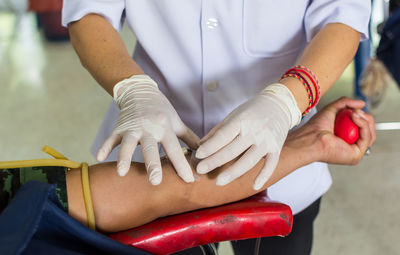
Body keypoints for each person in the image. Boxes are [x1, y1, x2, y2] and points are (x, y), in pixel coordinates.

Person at [62, 1, 371, 253]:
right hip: (153, 149)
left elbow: (343, 15)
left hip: (281, 152)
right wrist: (133, 89)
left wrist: (286, 101)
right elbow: (88, 11)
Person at [0, 98, 376, 234]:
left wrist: (297, 118)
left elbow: (175, 184)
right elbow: (178, 185)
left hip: (287, 163)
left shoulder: (14, 194)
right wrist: (311, 142)